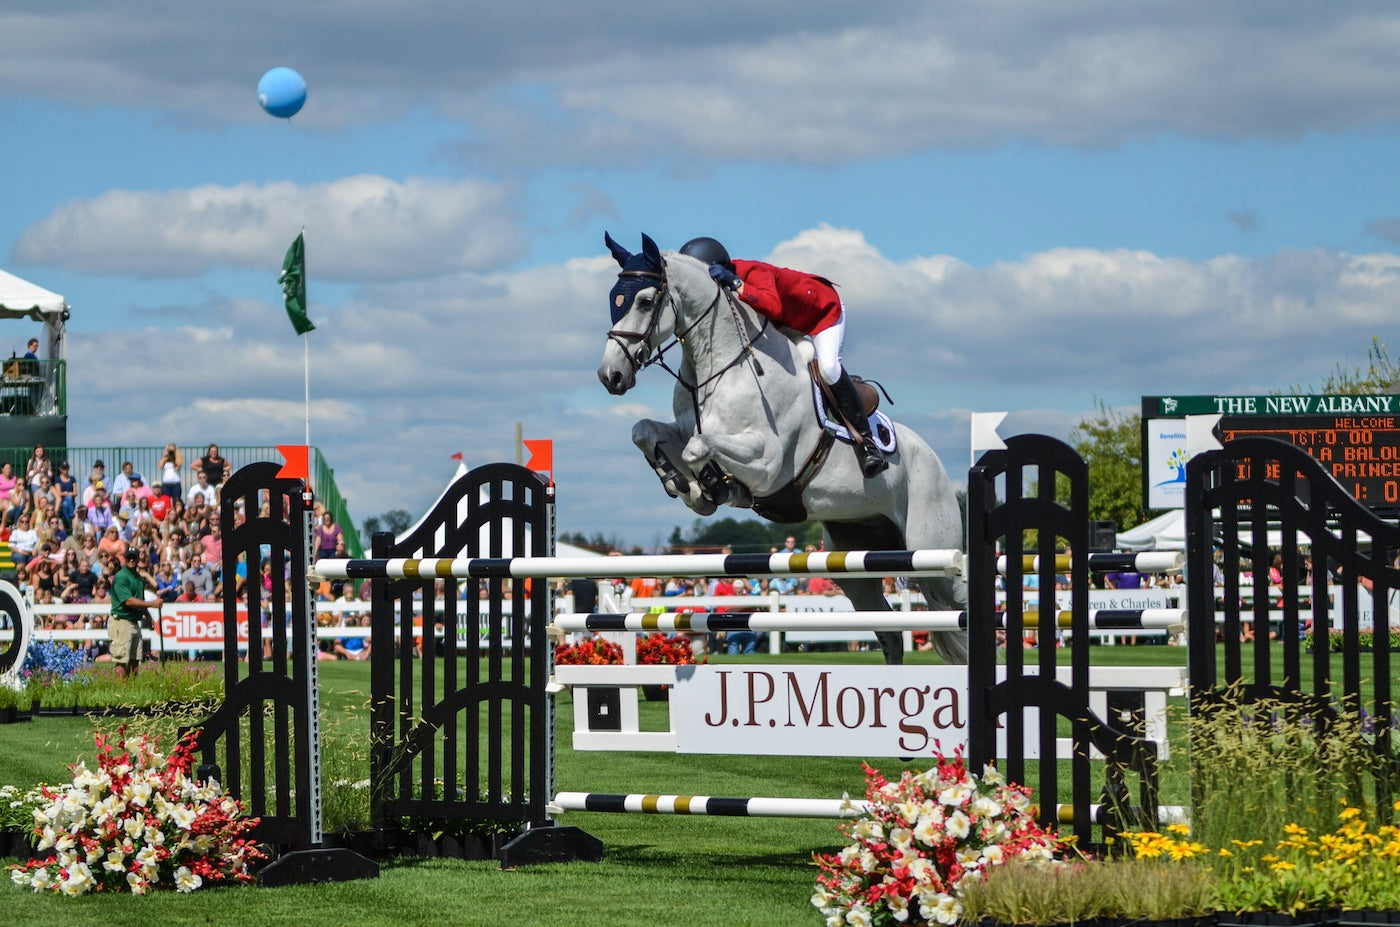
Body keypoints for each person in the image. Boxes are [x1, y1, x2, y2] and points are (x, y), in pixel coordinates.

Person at [680, 236, 888, 477]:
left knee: (829, 368)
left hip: (823, 313)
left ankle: (868, 443)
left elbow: (774, 306)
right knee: (796, 357)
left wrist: (737, 284)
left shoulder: (755, 272)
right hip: (785, 321)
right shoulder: (721, 277)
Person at [110, 546, 161, 679]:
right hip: (121, 620)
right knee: (122, 659)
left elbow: (139, 600)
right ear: (124, 559)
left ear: (138, 559)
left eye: (134, 557)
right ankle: (119, 692)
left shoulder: (137, 577)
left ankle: (131, 689)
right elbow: (129, 601)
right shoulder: (121, 577)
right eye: (129, 557)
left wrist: (148, 617)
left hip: (133, 621)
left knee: (135, 659)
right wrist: (152, 604)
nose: (131, 560)